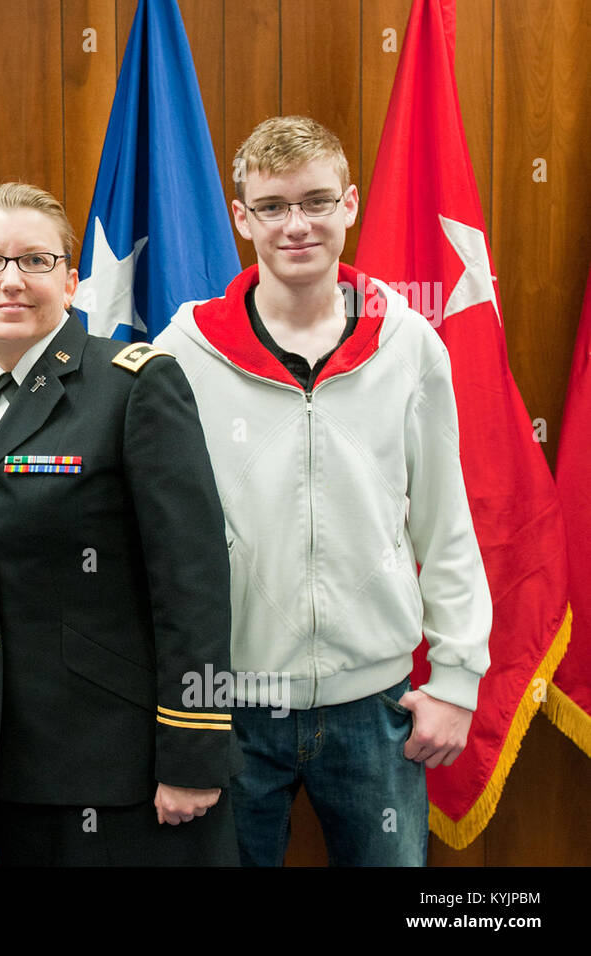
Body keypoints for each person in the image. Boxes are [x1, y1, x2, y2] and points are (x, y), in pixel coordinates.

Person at [154, 115, 492, 866]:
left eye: (315, 201)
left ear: (350, 204)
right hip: (232, 703)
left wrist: (459, 679)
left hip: (377, 707)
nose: (296, 225)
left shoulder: (408, 342)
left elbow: (445, 522)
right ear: (241, 218)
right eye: (272, 207)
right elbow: (158, 537)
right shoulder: (186, 349)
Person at [0, 182, 241, 866]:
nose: (11, 280)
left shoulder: (134, 385)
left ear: (71, 281)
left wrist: (193, 748)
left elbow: (194, 582)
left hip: (124, 762)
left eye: (36, 261)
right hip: (9, 757)